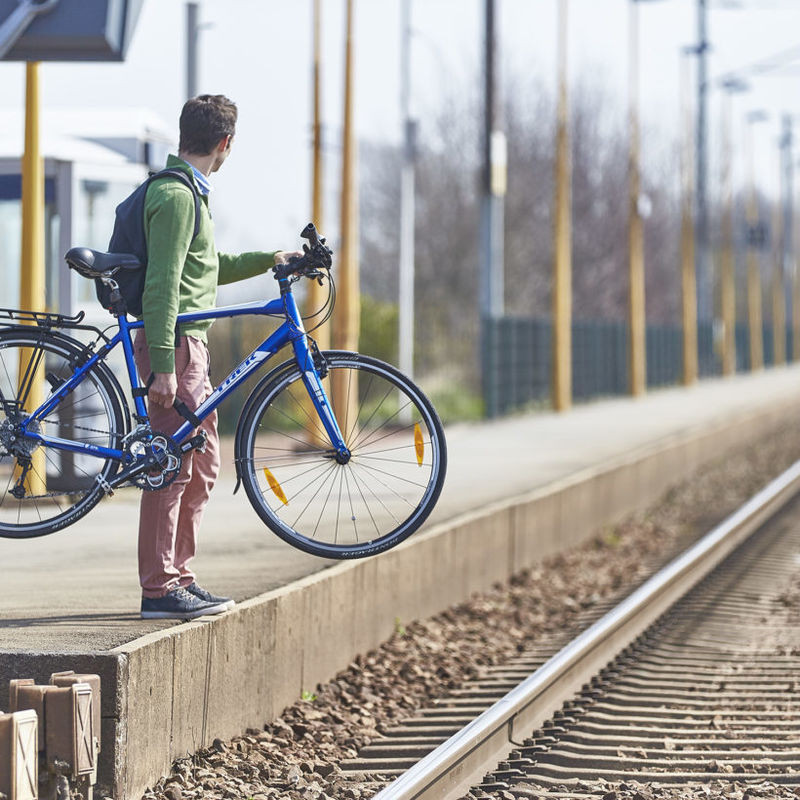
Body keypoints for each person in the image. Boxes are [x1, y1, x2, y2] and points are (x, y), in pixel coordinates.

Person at [135, 94, 301, 620]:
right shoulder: (178, 196)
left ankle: (180, 576)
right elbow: (161, 285)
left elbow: (207, 267)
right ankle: (159, 589)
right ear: (225, 143)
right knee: (173, 464)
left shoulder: (192, 194)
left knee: (203, 463)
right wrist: (163, 364)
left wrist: (268, 258)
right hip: (177, 345)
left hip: (191, 346)